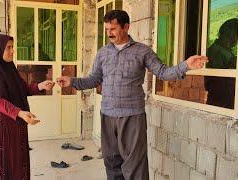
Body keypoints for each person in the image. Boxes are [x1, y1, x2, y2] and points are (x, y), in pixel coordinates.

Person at [56, 10, 208, 180]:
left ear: (126, 27)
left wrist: (185, 65)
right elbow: (93, 80)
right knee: (112, 163)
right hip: (107, 115)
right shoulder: (103, 53)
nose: (109, 34)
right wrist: (72, 81)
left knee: (135, 165)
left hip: (132, 116)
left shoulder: (142, 51)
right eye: (107, 29)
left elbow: (163, 72)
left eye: (113, 29)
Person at [0, 34, 55, 180]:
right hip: (0, 128)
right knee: (3, 166)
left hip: (15, 124)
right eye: (8, 48)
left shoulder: (10, 69)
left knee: (17, 164)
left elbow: (23, 88)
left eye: (13, 47)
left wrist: (40, 85)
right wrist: (19, 113)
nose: (13, 51)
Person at [204, 18, 238, 109]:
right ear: (231, 35)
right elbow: (218, 82)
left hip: (221, 101)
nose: (237, 40)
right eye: (237, 35)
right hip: (220, 103)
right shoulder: (216, 52)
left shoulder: (223, 50)